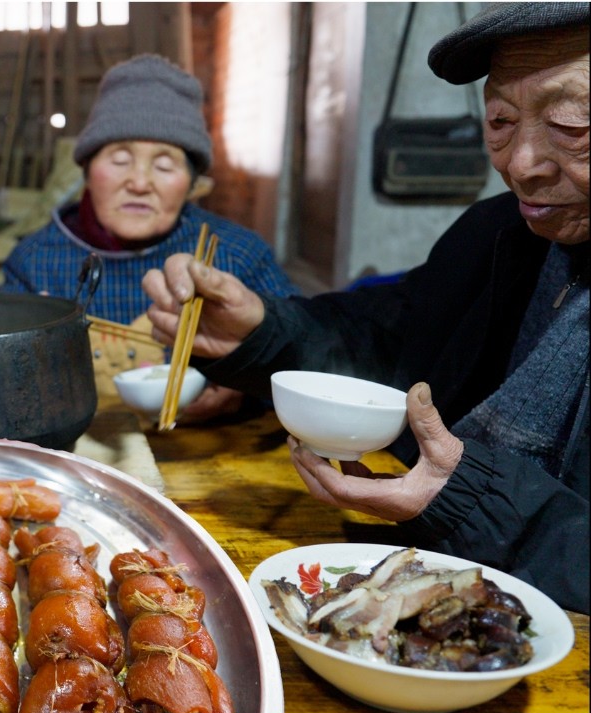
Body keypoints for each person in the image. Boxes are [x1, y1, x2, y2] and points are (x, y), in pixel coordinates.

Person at [143, 3, 588, 613]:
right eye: (500, 119)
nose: (519, 163)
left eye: (571, 123)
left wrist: (468, 497)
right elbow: (390, 336)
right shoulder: (501, 235)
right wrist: (257, 333)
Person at [0, 54, 297, 423]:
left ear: (191, 183)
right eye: (120, 160)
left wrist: (248, 387)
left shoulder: (237, 256)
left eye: (164, 165)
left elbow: (305, 363)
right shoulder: (35, 262)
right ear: (87, 172)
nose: (139, 183)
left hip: (212, 452)